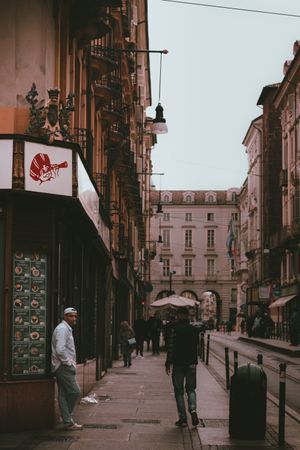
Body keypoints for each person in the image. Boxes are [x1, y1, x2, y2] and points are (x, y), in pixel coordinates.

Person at [165, 307, 200, 428]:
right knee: (191, 389)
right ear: (188, 316)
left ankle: (183, 419)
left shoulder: (175, 329)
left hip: (178, 363)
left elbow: (170, 347)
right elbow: (197, 346)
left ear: (179, 315)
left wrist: (167, 362)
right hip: (191, 363)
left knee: (179, 392)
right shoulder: (194, 330)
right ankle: (193, 409)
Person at [51, 307, 82, 431]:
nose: (74, 318)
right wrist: (68, 363)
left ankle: (67, 420)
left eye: (75, 316)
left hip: (62, 366)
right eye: (70, 316)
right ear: (65, 316)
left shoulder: (65, 329)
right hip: (63, 366)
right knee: (75, 392)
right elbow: (60, 349)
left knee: (63, 394)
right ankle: (67, 417)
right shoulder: (63, 329)